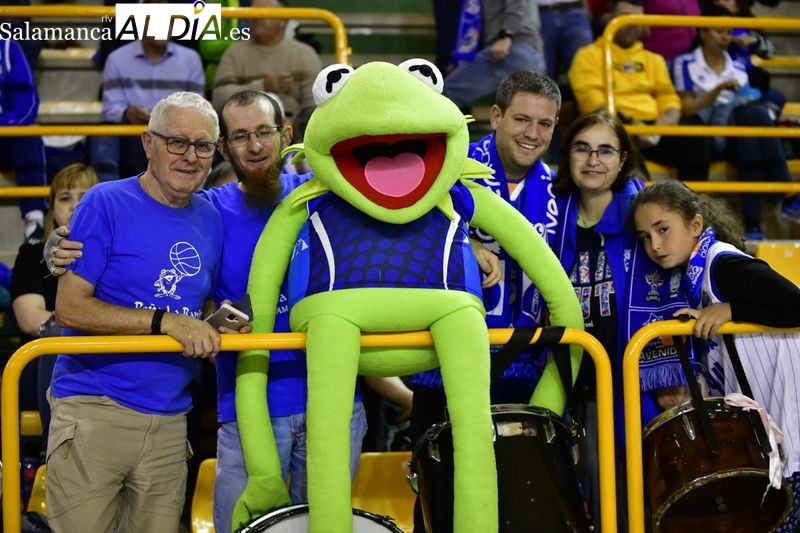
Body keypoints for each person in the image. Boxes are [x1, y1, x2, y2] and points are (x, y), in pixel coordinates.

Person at [45, 90, 365, 533]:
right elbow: (81, 298)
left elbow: (399, 214)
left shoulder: (323, 200)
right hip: (216, 409)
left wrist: (472, 241)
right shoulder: (202, 207)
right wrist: (57, 245)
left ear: (285, 134)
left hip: (313, 406)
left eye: (263, 132)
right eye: (239, 136)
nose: (253, 145)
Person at [45, 92, 230, 533]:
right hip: (94, 407)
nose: (191, 157)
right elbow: (69, 308)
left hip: (170, 420)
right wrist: (165, 322)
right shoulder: (105, 201)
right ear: (148, 143)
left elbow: (200, 300)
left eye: (203, 146)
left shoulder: (211, 215)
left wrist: (218, 320)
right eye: (177, 143)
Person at [409, 70, 580, 532]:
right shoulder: (449, 171)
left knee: (520, 501)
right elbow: (405, 234)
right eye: (522, 119)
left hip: (522, 368)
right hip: (445, 367)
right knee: (440, 502)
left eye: (545, 124)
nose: (532, 134)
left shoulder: (560, 192)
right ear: (496, 116)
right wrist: (466, 247)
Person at [630, 178, 800, 533]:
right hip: (775, 425)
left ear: (695, 224)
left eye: (663, 229)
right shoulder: (693, 276)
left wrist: (732, 309)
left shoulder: (721, 264)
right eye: (645, 236)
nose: (655, 245)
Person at [551, 110, 691, 531]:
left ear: (623, 158)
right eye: (582, 148)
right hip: (578, 387)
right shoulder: (550, 217)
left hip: (641, 382)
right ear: (568, 156)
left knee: (649, 499)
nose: (593, 160)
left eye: (605, 150)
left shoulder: (648, 213)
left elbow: (687, 277)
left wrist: (675, 370)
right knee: (596, 499)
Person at [671, 4, 792, 239]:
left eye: (729, 32)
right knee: (751, 120)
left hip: (736, 131)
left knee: (750, 139)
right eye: (718, 31)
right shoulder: (684, 62)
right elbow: (687, 110)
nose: (725, 37)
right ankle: (786, 190)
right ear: (703, 32)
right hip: (706, 133)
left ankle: (754, 226)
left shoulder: (737, 64)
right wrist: (717, 91)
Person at [10, 163, 99, 452]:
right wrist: (88, 324)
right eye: (65, 197)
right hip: (42, 360)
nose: (74, 206)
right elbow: (29, 317)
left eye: (84, 197)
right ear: (52, 207)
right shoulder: (33, 254)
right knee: (58, 333)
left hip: (101, 356)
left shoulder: (114, 254)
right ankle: (56, 458)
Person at [568, 0, 705, 181]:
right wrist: (632, 123)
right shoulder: (587, 56)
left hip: (656, 128)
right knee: (621, 138)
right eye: (625, 19)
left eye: (637, 19)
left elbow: (667, 96)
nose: (632, 25)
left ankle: (692, 201)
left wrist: (666, 119)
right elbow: (592, 102)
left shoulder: (653, 59)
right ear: (609, 19)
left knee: (694, 132)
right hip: (616, 125)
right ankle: (639, 200)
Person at [92, 35, 205, 182]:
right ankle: (109, 199)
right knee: (103, 135)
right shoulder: (117, 58)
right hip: (132, 133)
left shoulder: (191, 59)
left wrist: (170, 119)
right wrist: (126, 113)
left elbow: (197, 107)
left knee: (203, 135)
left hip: (176, 134)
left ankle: (194, 197)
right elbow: (111, 108)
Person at [212, 0, 321, 119]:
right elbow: (219, 97)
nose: (255, 17)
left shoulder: (305, 54)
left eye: (263, 11)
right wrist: (262, 86)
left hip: (293, 129)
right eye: (252, 12)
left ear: (283, 21)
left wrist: (293, 128)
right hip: (243, 127)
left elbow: (313, 105)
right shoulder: (234, 52)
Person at [440, 0, 546, 111]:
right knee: (523, 113)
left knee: (447, 92)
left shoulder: (507, 39)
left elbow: (516, 4)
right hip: (533, 52)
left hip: (510, 49)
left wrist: (507, 36)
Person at [0, 37, 48, 243]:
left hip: (4, 133)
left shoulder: (7, 46)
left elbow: (26, 99)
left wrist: (7, 124)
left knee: (28, 136)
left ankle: (34, 222)